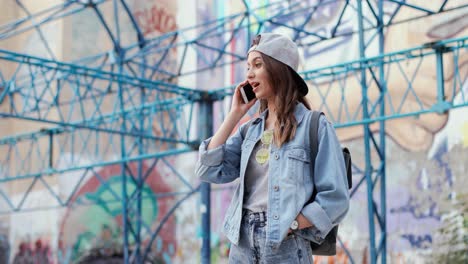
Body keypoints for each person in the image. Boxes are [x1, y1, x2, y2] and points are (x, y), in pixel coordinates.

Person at [195, 33, 350, 263]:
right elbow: (207, 169)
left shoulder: (314, 126)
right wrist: (234, 114)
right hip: (242, 245)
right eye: (248, 66)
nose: (249, 74)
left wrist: (293, 223)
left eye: (257, 65)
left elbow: (336, 198)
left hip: (285, 245)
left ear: (279, 69)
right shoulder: (250, 131)